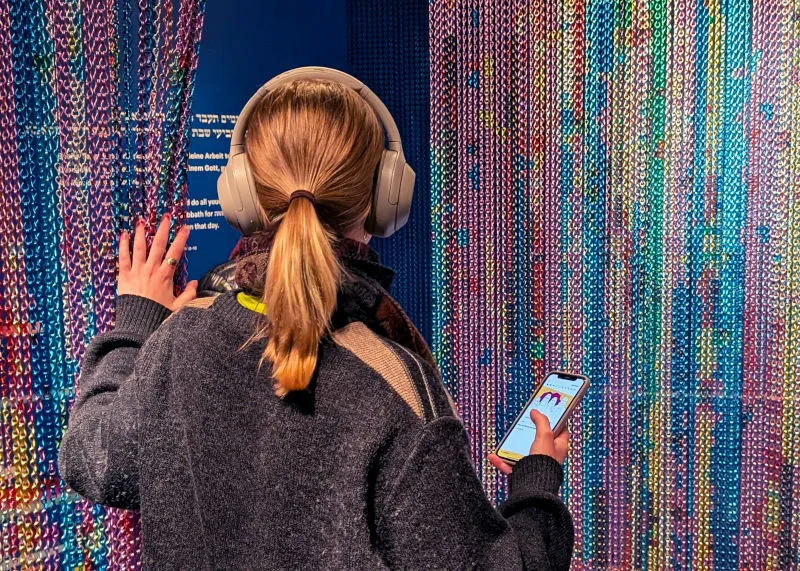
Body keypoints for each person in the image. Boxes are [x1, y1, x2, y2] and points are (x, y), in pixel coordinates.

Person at [58, 74, 574, 570]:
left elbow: (91, 460)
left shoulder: (178, 340)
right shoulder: (394, 384)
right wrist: (537, 482)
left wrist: (138, 322)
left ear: (242, 194)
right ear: (384, 198)